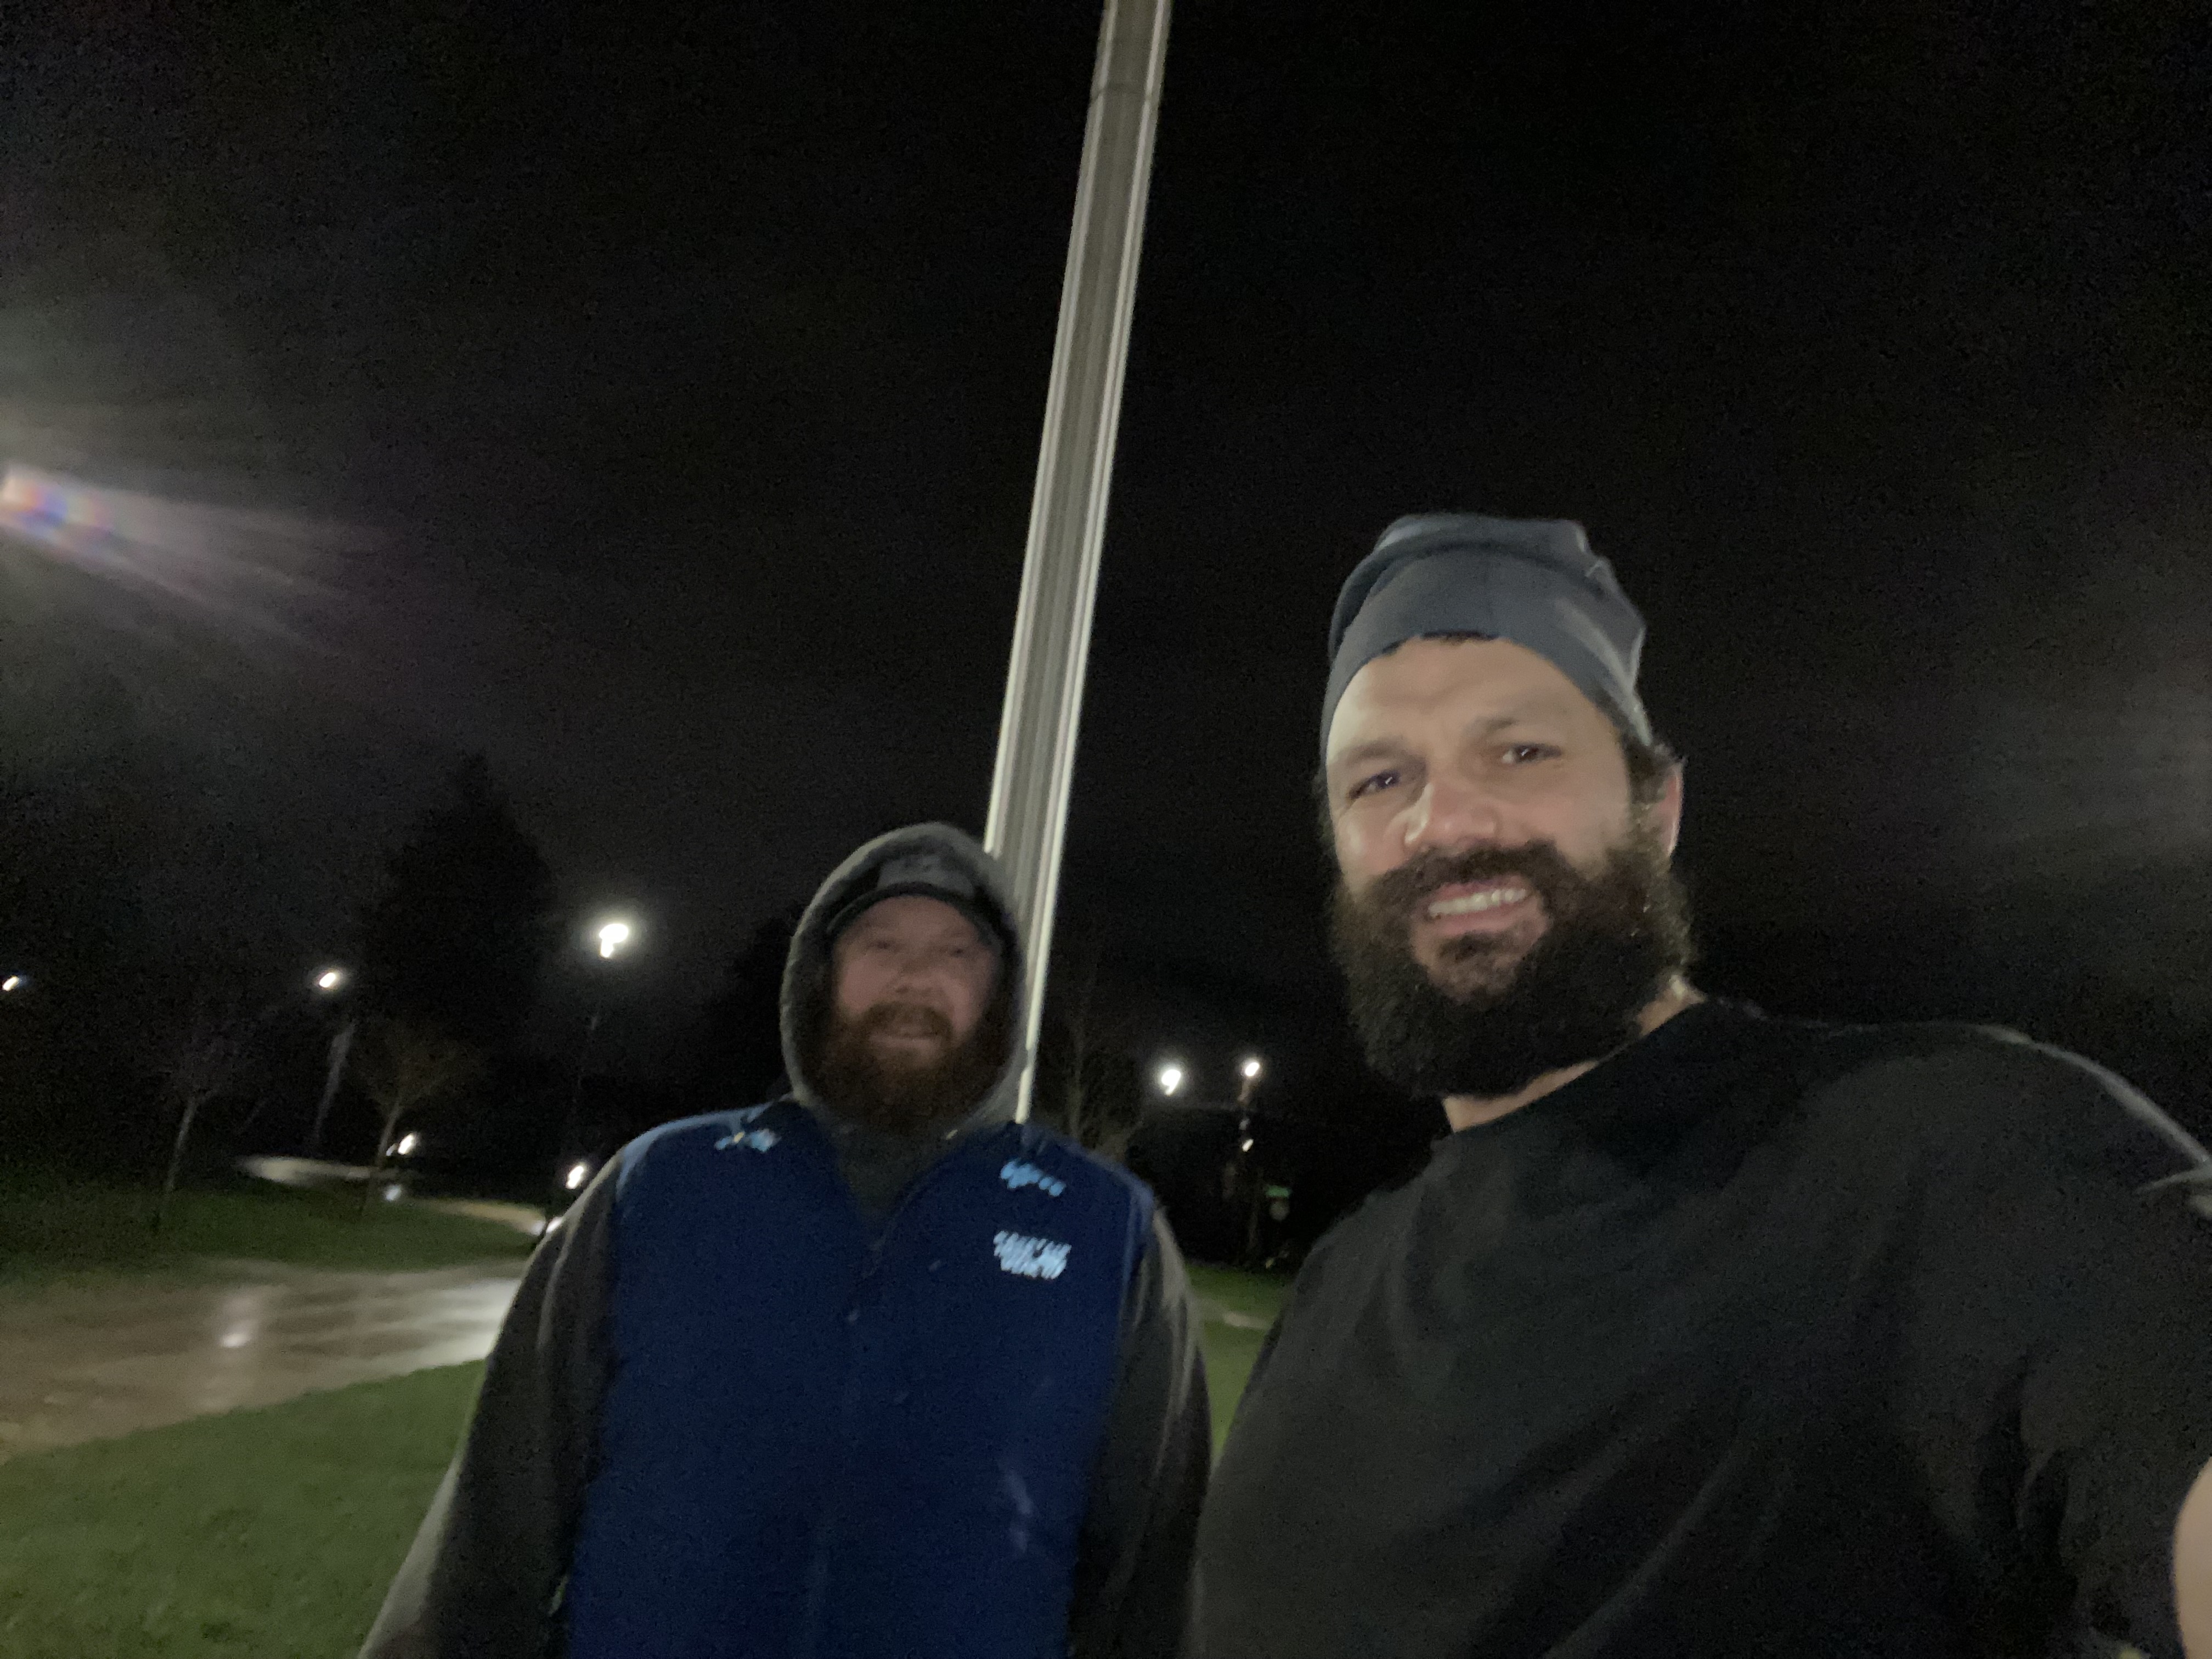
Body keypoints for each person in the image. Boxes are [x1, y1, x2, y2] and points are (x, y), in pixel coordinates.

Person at [1192, 514, 2212, 1658]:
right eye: (1382, 779)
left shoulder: (1951, 1165)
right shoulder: (1340, 1283)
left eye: (1520, 752)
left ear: (1658, 809)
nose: (1446, 822)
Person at [362, 823, 1210, 1659]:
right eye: (881, 945)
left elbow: (1154, 1580)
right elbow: (501, 1506)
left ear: (1002, 993)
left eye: (957, 954)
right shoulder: (662, 1184)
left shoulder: (1109, 1233)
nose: (915, 977)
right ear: (821, 976)